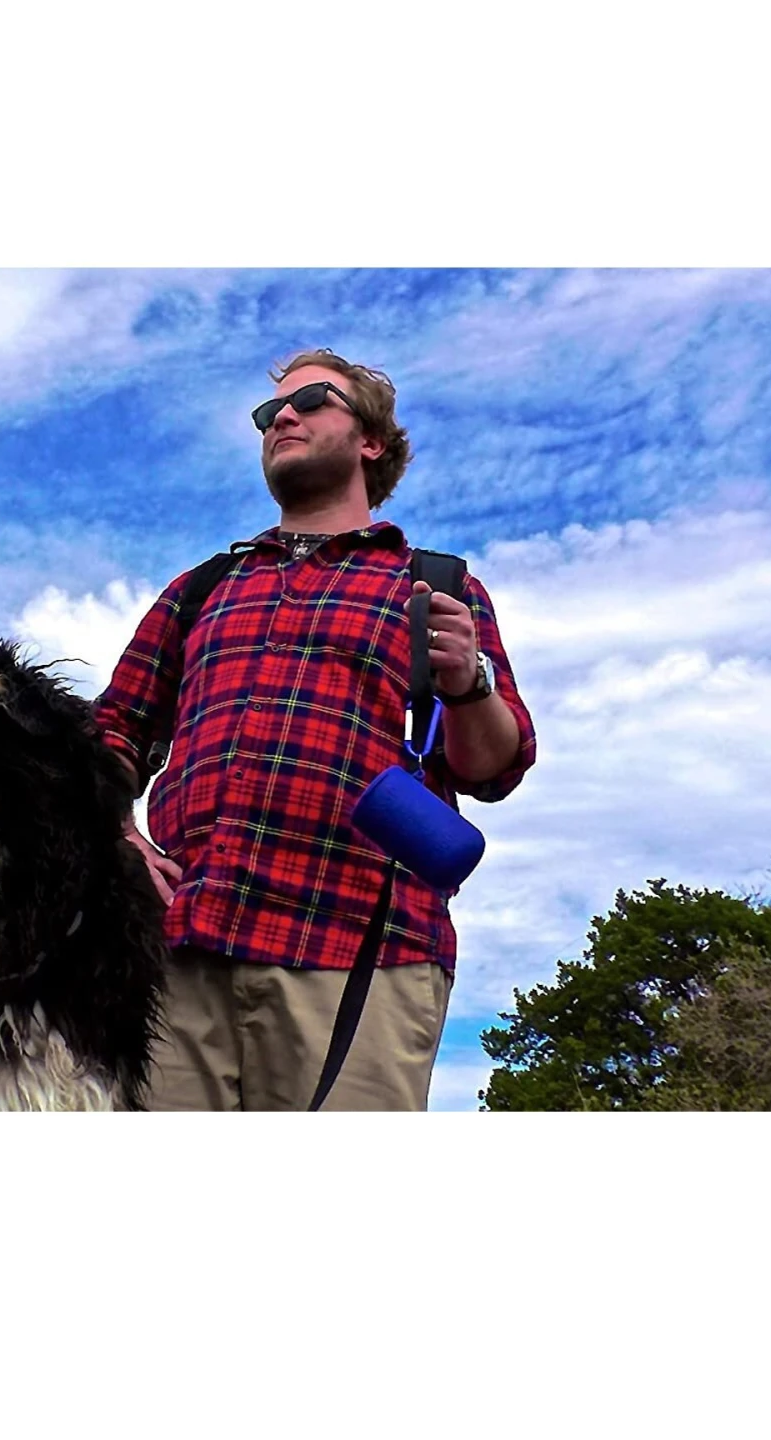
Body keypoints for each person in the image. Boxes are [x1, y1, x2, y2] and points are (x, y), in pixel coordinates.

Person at [92, 349, 536, 1110]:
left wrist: (469, 685)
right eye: (271, 413)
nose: (282, 419)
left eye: (311, 402)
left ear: (371, 440)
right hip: (179, 949)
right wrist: (118, 836)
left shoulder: (434, 585)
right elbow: (112, 730)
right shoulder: (202, 589)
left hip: (365, 947)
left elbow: (495, 767)